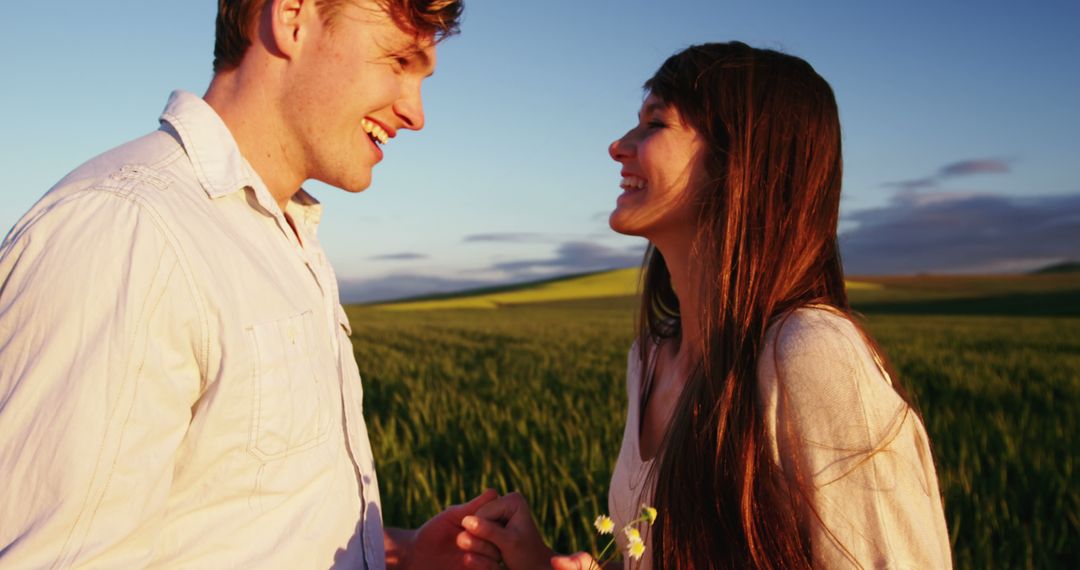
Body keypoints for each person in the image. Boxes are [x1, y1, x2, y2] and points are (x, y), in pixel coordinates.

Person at [0, 1, 501, 568]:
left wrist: (402, 554)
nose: (416, 113)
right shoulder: (132, 230)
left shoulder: (283, 234)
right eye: (399, 60)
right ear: (291, 18)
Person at [459, 42, 952, 569]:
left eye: (656, 123)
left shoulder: (810, 355)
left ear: (740, 160)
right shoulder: (649, 359)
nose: (618, 146)